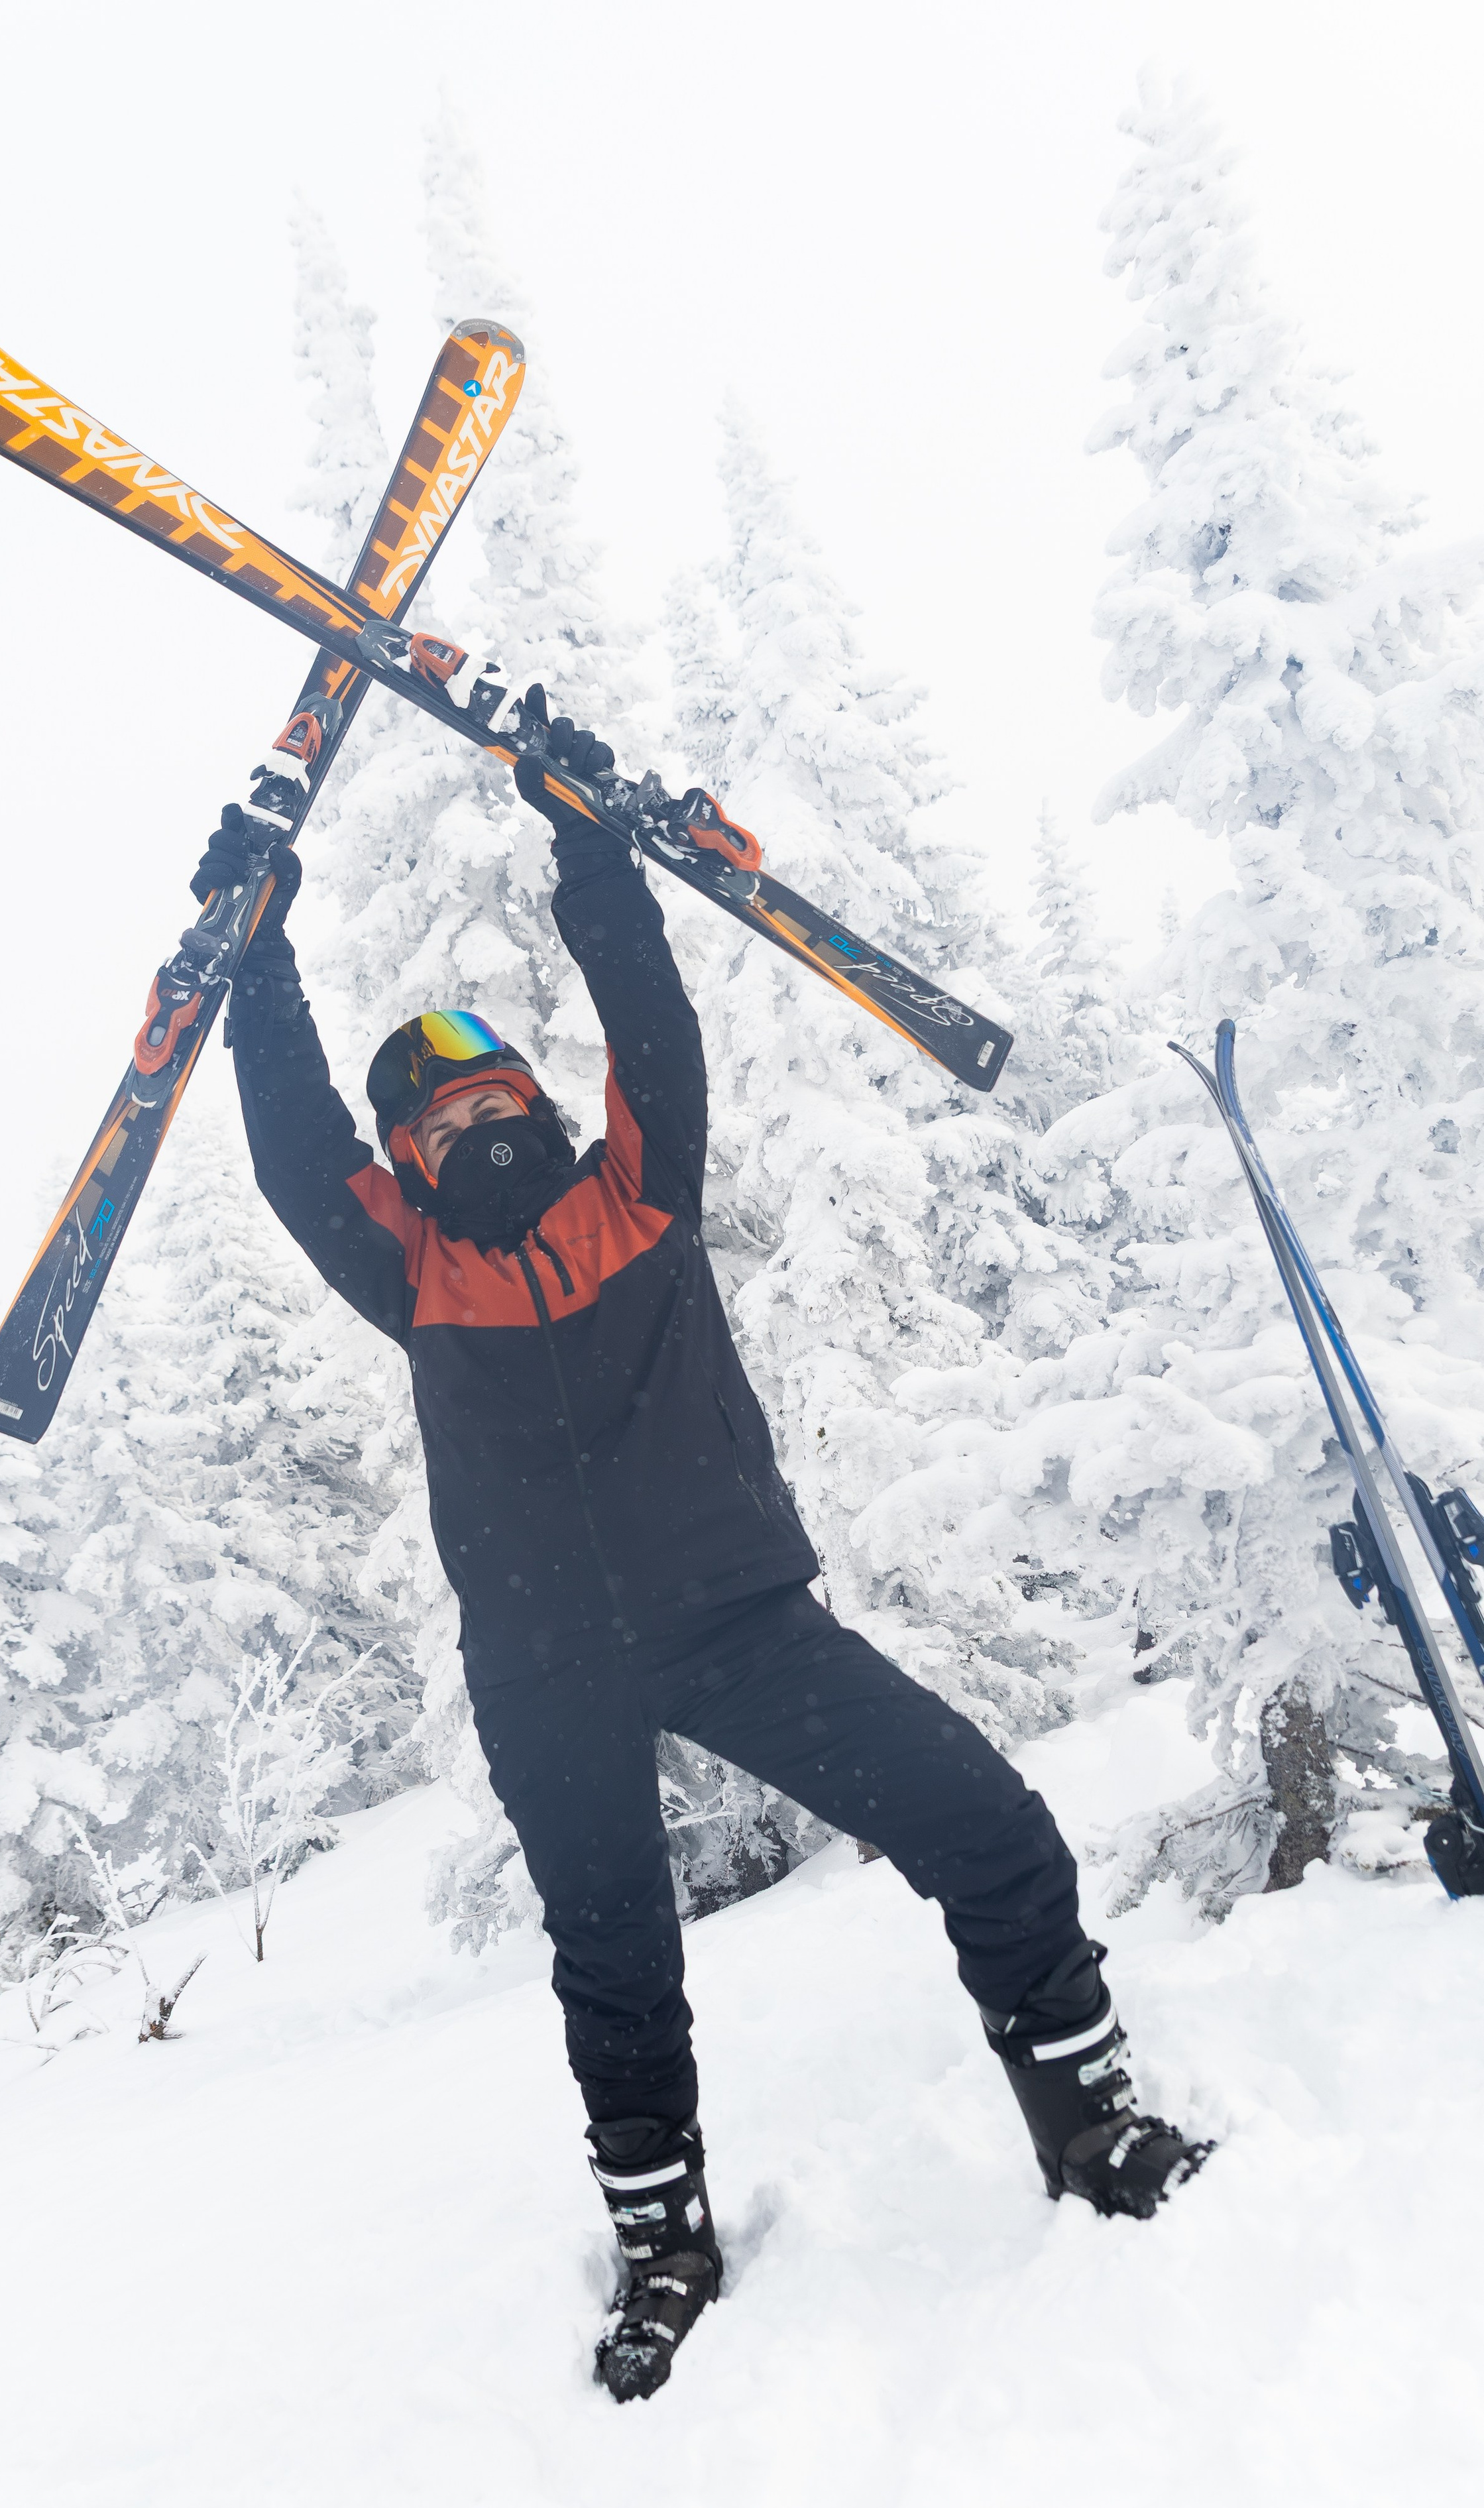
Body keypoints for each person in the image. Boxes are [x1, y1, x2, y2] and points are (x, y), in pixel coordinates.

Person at [203, 696, 1210, 2404]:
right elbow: (300, 1150)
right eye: (434, 1121)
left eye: (493, 1088)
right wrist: (254, 951)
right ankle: (666, 2240)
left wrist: (589, 840)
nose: (473, 1120)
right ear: (408, 1167)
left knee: (987, 1824)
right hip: (543, 1671)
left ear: (536, 1101)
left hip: (738, 1618)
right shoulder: (408, 1270)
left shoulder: (636, 1193)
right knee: (617, 1963)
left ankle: (1091, 2124)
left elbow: (652, 1027)